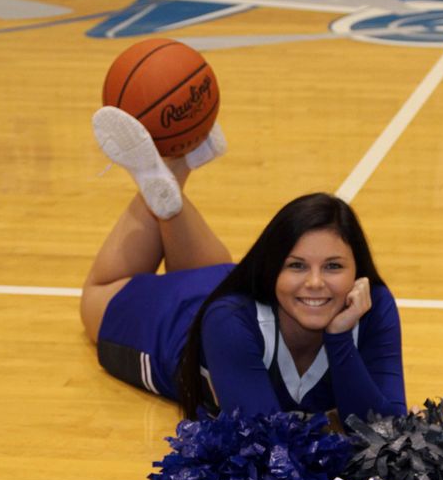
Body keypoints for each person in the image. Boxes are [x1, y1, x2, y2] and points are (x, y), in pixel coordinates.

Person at [81, 106, 406, 427]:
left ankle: (175, 166)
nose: (316, 282)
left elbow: (388, 430)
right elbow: (264, 439)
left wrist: (339, 337)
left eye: (333, 266)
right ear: (272, 266)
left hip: (226, 280)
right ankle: (158, 175)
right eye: (297, 265)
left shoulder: (372, 306)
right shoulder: (228, 322)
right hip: (169, 323)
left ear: (357, 271)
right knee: (97, 292)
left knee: (221, 280)